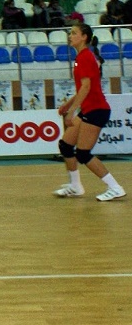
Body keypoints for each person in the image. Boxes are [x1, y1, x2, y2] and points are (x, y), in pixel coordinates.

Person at [54, 24, 126, 201]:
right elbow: (83, 88)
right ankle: (76, 186)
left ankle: (115, 187)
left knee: (83, 153)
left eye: (74, 33)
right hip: (89, 109)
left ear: (84, 37)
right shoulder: (81, 57)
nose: (70, 36)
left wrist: (71, 112)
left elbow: (86, 88)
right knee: (65, 145)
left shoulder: (85, 57)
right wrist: (67, 104)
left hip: (96, 110)